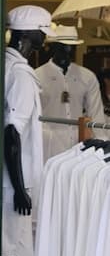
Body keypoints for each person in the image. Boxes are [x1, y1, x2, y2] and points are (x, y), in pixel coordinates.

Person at [2, 5, 52, 256]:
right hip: (14, 181)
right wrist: (20, 189)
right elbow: (12, 132)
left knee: (11, 248)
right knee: (16, 252)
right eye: (42, 31)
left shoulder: (4, 65)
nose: (44, 38)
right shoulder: (20, 74)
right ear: (29, 34)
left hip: (8, 178)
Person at [35, 25, 106, 161]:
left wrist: (102, 144)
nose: (67, 52)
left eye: (71, 48)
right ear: (53, 47)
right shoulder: (37, 76)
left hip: (78, 144)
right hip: (48, 143)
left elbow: (96, 114)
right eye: (63, 47)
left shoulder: (87, 77)